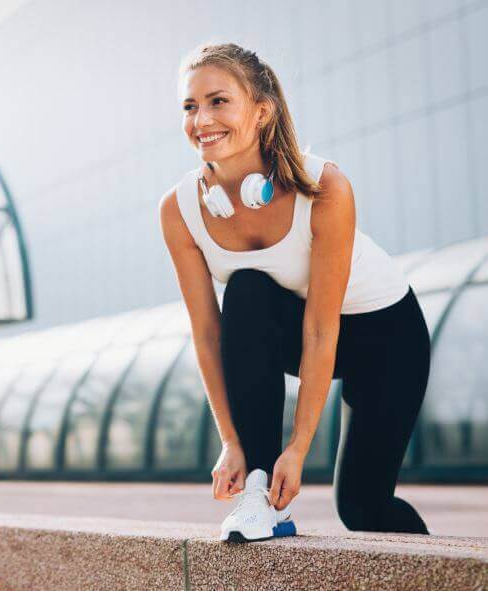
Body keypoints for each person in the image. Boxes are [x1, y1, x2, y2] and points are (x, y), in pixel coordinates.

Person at [158, 42, 432, 542]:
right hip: (294, 327)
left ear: (261, 111)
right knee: (245, 291)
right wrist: (232, 442)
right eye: (190, 106)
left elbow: (322, 325)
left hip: (386, 337)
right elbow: (208, 335)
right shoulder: (179, 211)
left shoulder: (324, 187)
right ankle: (257, 498)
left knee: (363, 507)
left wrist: (299, 448)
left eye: (218, 101)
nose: (201, 119)